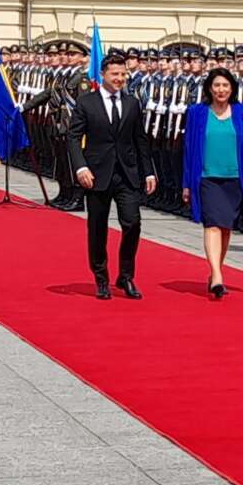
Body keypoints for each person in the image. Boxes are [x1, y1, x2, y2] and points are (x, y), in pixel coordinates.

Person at [67, 52, 156, 300]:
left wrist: (148, 171)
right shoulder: (87, 102)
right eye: (114, 74)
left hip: (127, 174)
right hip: (96, 174)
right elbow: (73, 138)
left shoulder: (132, 103)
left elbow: (141, 140)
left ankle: (126, 275)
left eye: (123, 74)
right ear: (103, 75)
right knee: (97, 227)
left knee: (132, 223)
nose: (119, 78)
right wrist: (80, 167)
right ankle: (101, 277)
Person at [182, 67, 243, 298]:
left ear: (232, 89)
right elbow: (189, 150)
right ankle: (217, 275)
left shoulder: (242, 112)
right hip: (207, 178)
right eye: (217, 85)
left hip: (235, 178)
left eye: (225, 86)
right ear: (209, 87)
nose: (221, 90)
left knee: (225, 227)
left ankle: (216, 270)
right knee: (212, 224)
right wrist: (187, 183)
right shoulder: (197, 113)